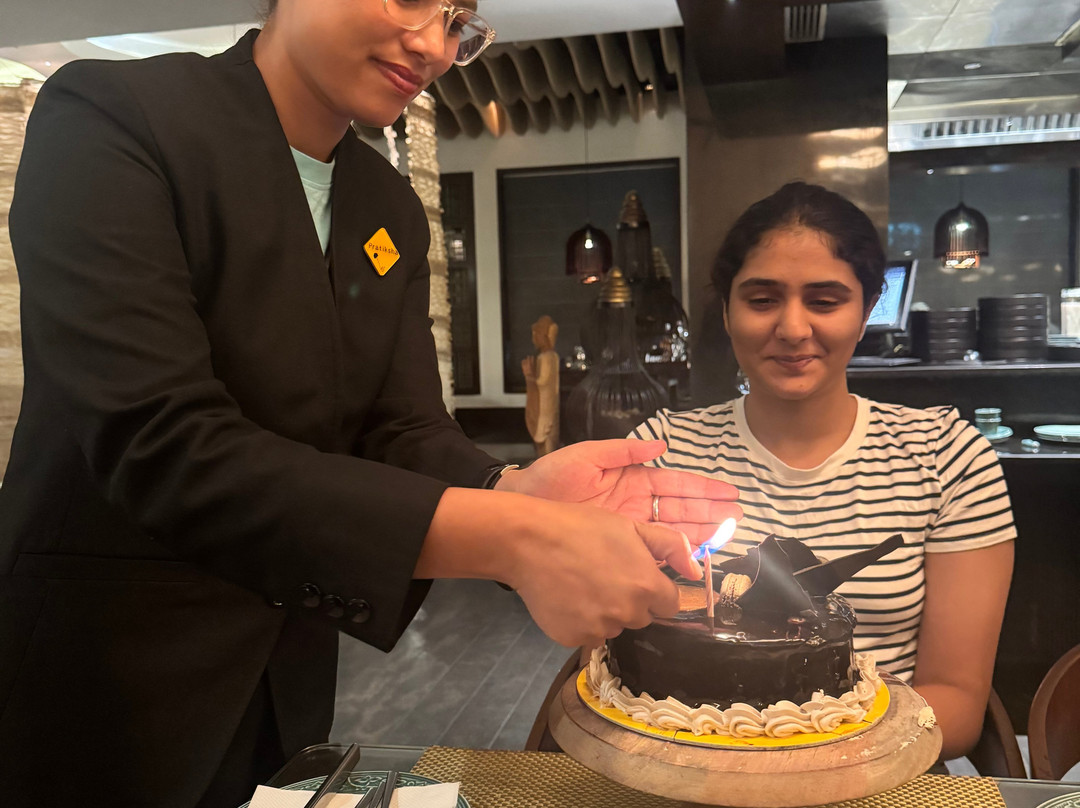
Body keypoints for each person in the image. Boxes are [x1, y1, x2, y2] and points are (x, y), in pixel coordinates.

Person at [0, 2, 742, 806]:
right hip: (106, 674)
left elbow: (401, 425)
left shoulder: (385, 203)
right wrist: (512, 538)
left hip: (285, 671)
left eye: (458, 21)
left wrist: (512, 489)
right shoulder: (116, 117)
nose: (434, 46)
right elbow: (161, 439)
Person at [630, 181, 1015, 761]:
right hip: (680, 768)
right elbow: (613, 659)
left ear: (866, 310)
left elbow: (957, 705)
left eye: (826, 301)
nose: (792, 328)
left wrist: (803, 766)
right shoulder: (657, 453)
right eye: (762, 299)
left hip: (880, 775)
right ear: (728, 311)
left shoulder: (946, 456)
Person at [522, 314, 560, 457]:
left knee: (544, 438)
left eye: (536, 335)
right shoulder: (550, 356)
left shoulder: (546, 357)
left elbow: (543, 382)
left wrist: (529, 376)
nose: (534, 339)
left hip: (545, 406)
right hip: (547, 404)